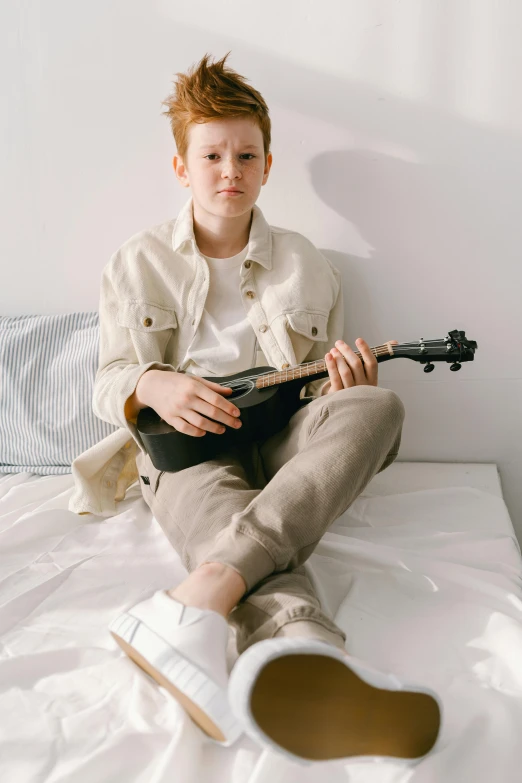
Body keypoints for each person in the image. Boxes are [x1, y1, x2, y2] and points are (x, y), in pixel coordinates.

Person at [104, 52, 442, 763]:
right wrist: (153, 384)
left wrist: (340, 388)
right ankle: (312, 652)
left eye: (246, 154)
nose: (231, 169)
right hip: (185, 452)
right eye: (213, 155)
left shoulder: (309, 262)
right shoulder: (135, 262)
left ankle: (196, 600)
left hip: (283, 439)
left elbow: (319, 393)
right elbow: (108, 381)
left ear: (267, 165)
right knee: (232, 514)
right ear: (182, 169)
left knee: (379, 406)